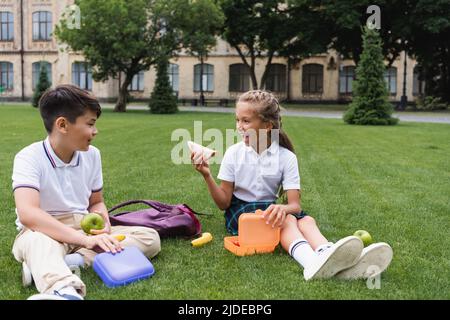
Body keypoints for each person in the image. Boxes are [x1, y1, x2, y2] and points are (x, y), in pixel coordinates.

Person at [191, 90, 392, 281]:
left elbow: (295, 206)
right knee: (287, 221)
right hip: (241, 215)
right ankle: (311, 262)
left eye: (246, 121)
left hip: (271, 209)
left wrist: (282, 208)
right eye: (237, 120)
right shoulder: (234, 154)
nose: (239, 126)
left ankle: (326, 252)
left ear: (267, 126)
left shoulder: (286, 157)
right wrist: (207, 175)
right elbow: (223, 204)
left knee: (306, 221)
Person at [12, 85, 161, 300]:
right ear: (62, 124)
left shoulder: (92, 155)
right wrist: (84, 241)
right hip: (42, 231)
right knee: (38, 243)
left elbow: (96, 202)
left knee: (150, 237)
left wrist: (104, 223)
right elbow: (28, 214)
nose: (95, 131)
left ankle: (66, 262)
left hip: (83, 229)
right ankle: (64, 291)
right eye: (90, 124)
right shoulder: (29, 157)